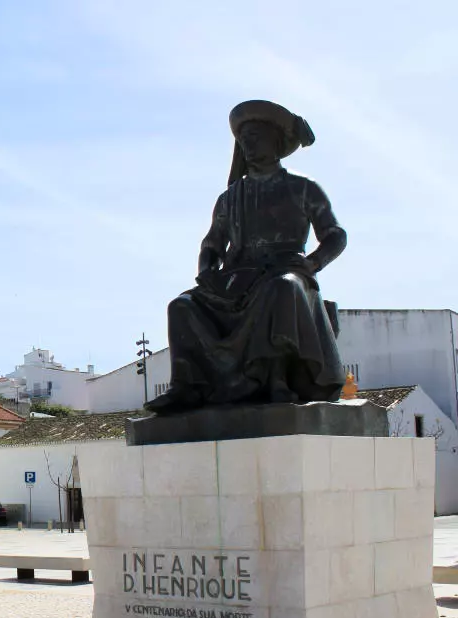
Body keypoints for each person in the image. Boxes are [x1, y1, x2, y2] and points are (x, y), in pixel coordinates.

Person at [146, 100, 348, 414]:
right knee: (182, 305)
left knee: (282, 288)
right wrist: (207, 270)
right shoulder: (229, 198)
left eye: (255, 137)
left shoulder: (303, 188)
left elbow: (335, 234)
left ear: (275, 141)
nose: (248, 145)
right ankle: (186, 385)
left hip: (284, 271)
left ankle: (276, 378)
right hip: (236, 278)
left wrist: (313, 262)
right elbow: (212, 244)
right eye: (243, 140)